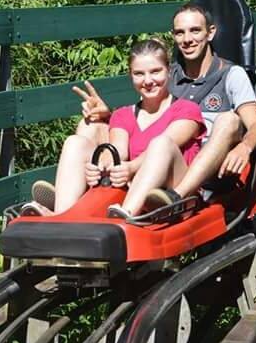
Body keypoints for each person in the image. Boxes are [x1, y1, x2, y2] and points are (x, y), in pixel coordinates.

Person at [30, 2, 256, 213]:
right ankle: (71, 200)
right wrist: (108, 117)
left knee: (228, 120)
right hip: (159, 156)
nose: (187, 39)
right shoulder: (166, 75)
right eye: (180, 32)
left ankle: (176, 197)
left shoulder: (231, 75)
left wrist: (244, 147)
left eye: (195, 30)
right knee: (90, 125)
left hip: (207, 169)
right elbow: (145, 117)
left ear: (210, 33)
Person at [22, 39, 205, 217]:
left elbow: (169, 142)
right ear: (130, 75)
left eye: (155, 71)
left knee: (161, 143)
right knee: (75, 142)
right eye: (139, 74)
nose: (148, 81)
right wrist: (98, 167)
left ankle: (127, 214)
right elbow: (118, 150)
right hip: (133, 190)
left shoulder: (187, 109)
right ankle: (61, 215)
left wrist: (131, 167)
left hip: (173, 193)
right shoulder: (123, 115)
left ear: (169, 71)